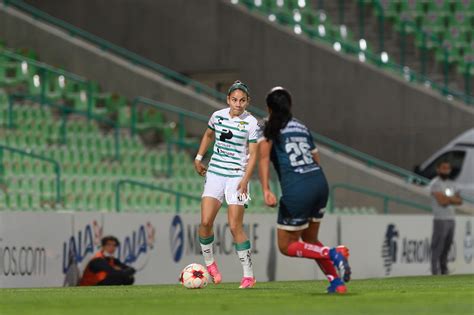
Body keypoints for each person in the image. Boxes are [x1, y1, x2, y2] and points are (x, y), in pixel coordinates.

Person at [257, 87, 351, 294]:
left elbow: (263, 159)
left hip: (297, 189)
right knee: (309, 239)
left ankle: (333, 253)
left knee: (285, 245)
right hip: (319, 183)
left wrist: (265, 189)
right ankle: (336, 282)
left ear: (269, 108)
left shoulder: (269, 128)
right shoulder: (301, 126)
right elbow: (316, 157)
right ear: (289, 105)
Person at [194, 80, 259, 289]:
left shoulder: (252, 123)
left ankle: (249, 276)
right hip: (215, 173)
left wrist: (245, 180)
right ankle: (210, 265)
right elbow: (208, 135)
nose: (238, 104)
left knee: (234, 226)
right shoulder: (217, 116)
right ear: (228, 100)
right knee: (205, 222)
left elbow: (254, 154)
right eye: (234, 100)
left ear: (248, 102)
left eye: (242, 100)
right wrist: (198, 157)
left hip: (237, 176)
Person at [430, 160, 462, 275]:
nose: (446, 170)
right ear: (438, 169)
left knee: (447, 246)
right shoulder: (435, 184)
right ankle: (435, 271)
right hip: (440, 219)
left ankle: (444, 269)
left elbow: (459, 201)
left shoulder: (452, 184)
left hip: (451, 219)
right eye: (443, 168)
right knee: (438, 246)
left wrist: (449, 198)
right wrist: (451, 199)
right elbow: (442, 201)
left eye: (448, 168)